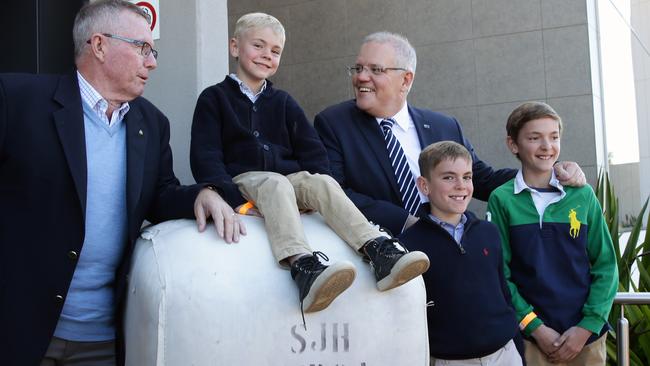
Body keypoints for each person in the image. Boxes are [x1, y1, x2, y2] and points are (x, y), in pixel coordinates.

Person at [0, 1, 246, 365]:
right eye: (141, 48)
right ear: (98, 46)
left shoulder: (152, 122)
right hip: (20, 329)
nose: (152, 62)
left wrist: (202, 194)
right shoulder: (17, 100)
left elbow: (159, 196)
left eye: (153, 50)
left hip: (104, 338)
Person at [190, 13, 429, 321]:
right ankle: (303, 267)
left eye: (275, 51)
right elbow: (205, 154)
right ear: (235, 47)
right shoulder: (214, 99)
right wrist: (229, 197)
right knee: (274, 184)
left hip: (288, 180)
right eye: (258, 46)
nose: (266, 55)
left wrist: (314, 193)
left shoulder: (284, 102)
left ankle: (378, 250)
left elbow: (313, 153)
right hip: (245, 180)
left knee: (322, 182)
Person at [314, 31, 586, 235]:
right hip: (386, 251)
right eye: (358, 68)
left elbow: (482, 179)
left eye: (375, 70)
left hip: (451, 244)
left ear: (406, 79)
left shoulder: (444, 126)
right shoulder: (334, 123)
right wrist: (407, 222)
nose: (361, 77)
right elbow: (336, 193)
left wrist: (551, 174)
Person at [487, 102, 618, 365]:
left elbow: (606, 265)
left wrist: (587, 327)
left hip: (586, 339)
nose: (547, 146)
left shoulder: (582, 195)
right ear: (513, 145)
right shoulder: (502, 200)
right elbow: (500, 272)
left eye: (554, 137)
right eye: (535, 138)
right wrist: (534, 327)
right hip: (532, 340)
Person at [399, 141, 522, 366]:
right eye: (448, 177)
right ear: (424, 185)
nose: (461, 185)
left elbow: (504, 293)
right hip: (451, 360)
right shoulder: (408, 244)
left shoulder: (488, 232)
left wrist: (518, 349)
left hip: (505, 354)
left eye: (467, 177)